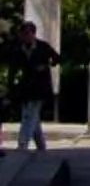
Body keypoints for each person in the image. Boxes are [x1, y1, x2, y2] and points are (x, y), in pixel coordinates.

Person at [8, 22, 56, 152]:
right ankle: (41, 145)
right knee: (32, 116)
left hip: (40, 87)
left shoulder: (43, 47)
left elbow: (56, 58)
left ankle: (23, 143)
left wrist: (45, 66)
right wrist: (11, 85)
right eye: (22, 34)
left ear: (33, 34)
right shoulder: (18, 49)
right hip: (25, 87)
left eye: (27, 34)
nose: (24, 37)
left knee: (29, 115)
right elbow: (13, 68)